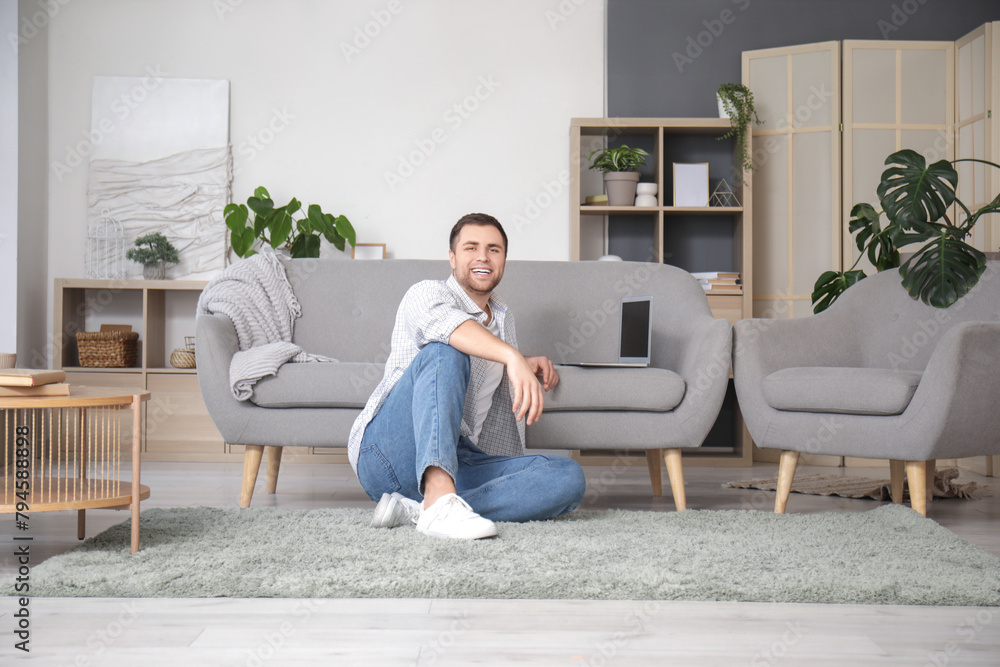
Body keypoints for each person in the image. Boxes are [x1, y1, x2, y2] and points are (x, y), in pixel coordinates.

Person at [347, 213, 586, 539]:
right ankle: (440, 495)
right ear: (452, 258)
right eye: (471, 247)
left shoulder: (502, 319)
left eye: (494, 249)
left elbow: (484, 358)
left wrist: (518, 362)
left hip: (460, 457)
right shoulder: (426, 292)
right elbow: (451, 329)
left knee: (567, 477)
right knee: (445, 349)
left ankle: (424, 508)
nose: (483, 257)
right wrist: (510, 356)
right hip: (389, 453)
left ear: (503, 259)